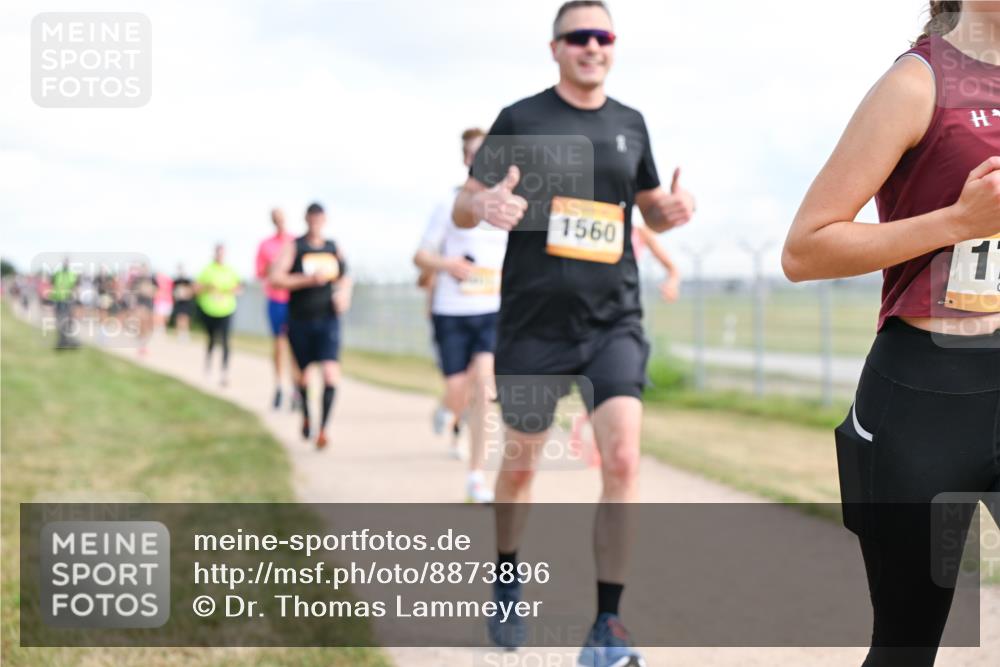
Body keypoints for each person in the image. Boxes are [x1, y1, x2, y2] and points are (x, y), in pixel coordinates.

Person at [452, 2, 695, 663]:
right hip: (534, 325)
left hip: (613, 319)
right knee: (522, 464)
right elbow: (464, 201)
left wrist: (672, 212)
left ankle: (607, 625)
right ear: (555, 47)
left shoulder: (631, 124)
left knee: (620, 459)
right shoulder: (520, 119)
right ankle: (506, 575)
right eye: (579, 37)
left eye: (604, 36)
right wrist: (485, 203)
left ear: (614, 46)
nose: (593, 46)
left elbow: (649, 210)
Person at [782, 2, 1000, 665]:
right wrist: (956, 221)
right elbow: (806, 250)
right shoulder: (917, 82)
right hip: (924, 395)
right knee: (907, 643)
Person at [414, 127, 507, 503]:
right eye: (473, 154)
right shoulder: (448, 205)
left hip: (491, 310)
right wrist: (446, 263)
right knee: (458, 388)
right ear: (466, 160)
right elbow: (420, 257)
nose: (480, 159)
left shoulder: (507, 206)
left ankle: (476, 476)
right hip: (451, 312)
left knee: (484, 385)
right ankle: (446, 407)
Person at [270, 203, 353, 450]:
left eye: (320, 216)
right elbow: (276, 278)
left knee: (330, 374)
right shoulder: (295, 246)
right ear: (307, 218)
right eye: (312, 216)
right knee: (304, 376)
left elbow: (346, 276)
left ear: (325, 219)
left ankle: (323, 430)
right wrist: (308, 279)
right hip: (300, 319)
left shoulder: (332, 247)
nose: (316, 220)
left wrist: (344, 295)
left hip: (328, 319)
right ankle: (307, 415)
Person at [255, 208, 299, 410]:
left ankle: (297, 389)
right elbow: (260, 272)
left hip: (296, 300)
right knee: (279, 345)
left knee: (297, 347)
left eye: (281, 218)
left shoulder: (295, 241)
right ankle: (280, 386)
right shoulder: (265, 245)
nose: (279, 221)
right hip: (276, 300)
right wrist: (274, 266)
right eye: (275, 219)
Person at [195, 244, 242, 387]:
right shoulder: (207, 269)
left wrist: (230, 290)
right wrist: (208, 287)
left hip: (226, 310)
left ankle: (224, 372)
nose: (220, 255)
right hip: (209, 310)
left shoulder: (230, 270)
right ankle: (208, 366)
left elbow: (239, 288)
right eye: (218, 253)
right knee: (211, 339)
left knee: (226, 340)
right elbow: (196, 288)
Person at [49, 258, 79, 350]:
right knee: (60, 320)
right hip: (58, 300)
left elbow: (75, 287)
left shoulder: (72, 274)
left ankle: (68, 340)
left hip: (67, 300)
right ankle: (63, 340)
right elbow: (53, 284)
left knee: (68, 321)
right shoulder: (57, 274)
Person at [171, 264, 195, 341]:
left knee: (185, 318)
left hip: (186, 302)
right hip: (179, 302)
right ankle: (179, 334)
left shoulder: (188, 281)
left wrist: (185, 294)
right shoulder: (175, 281)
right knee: (178, 318)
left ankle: (185, 334)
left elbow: (192, 291)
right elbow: (173, 291)